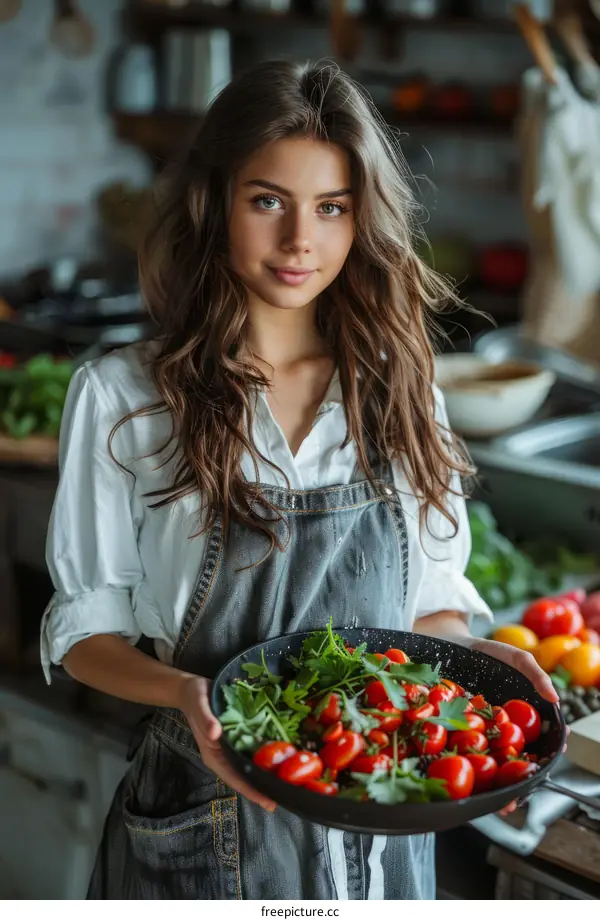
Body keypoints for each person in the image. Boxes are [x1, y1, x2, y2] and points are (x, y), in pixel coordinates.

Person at [41, 60, 558, 900]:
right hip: (200, 820)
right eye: (268, 201)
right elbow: (86, 634)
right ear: (216, 201)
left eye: (331, 208)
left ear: (363, 220)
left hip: (379, 816)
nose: (299, 243)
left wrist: (477, 659)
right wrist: (186, 693)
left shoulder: (400, 387)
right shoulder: (124, 395)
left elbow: (428, 608)